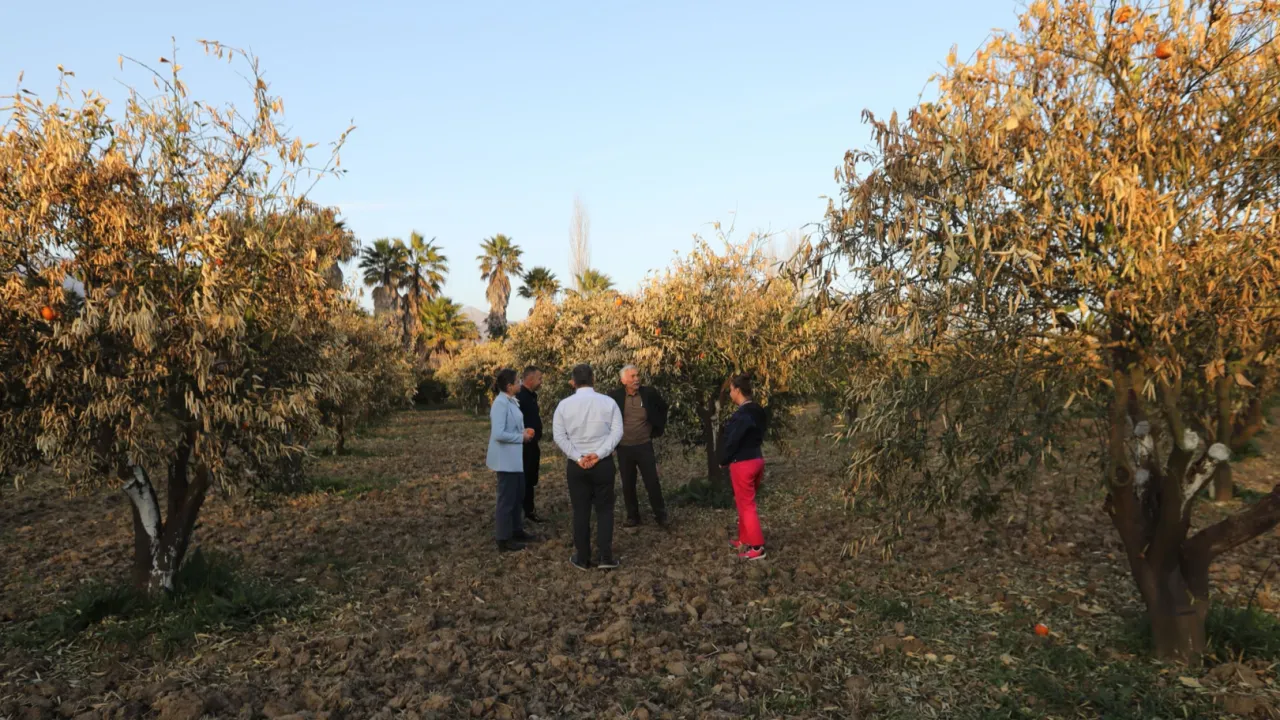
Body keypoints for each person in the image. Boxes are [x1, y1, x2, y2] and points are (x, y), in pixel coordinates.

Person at [553, 363, 624, 570]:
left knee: (580, 511)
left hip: (577, 466)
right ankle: (605, 557)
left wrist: (578, 457)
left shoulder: (563, 406)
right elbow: (617, 432)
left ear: (573, 382)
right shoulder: (608, 402)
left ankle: (582, 557)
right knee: (605, 510)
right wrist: (599, 454)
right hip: (603, 464)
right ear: (593, 379)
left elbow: (559, 436)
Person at [608, 365, 670, 527]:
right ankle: (633, 516)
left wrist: (657, 429)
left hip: (644, 445)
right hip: (624, 447)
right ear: (623, 380)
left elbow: (663, 408)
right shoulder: (615, 396)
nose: (636, 379)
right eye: (632, 376)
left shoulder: (649, 393)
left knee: (652, 481)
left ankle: (661, 515)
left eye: (637, 375)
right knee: (628, 483)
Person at [487, 367, 537, 552]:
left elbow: (513, 426)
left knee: (517, 496)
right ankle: (503, 538)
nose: (520, 384)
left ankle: (517, 530)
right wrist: (520, 437)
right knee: (507, 499)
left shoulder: (511, 401)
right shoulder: (500, 404)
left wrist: (523, 431)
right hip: (505, 459)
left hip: (515, 458)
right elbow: (499, 433)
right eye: (517, 381)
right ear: (509, 386)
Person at [719, 374, 769, 560]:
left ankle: (757, 547)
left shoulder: (741, 416)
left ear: (738, 390)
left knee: (747, 505)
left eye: (731, 390)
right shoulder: (758, 411)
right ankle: (744, 539)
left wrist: (724, 459)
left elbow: (733, 441)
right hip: (757, 459)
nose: (730, 393)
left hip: (743, 464)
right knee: (743, 503)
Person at [515, 366, 544, 522]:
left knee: (531, 477)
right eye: (539, 379)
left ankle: (529, 510)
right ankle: (522, 512)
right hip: (523, 446)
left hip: (532, 444)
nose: (541, 382)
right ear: (530, 379)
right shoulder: (519, 397)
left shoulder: (532, 396)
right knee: (524, 478)